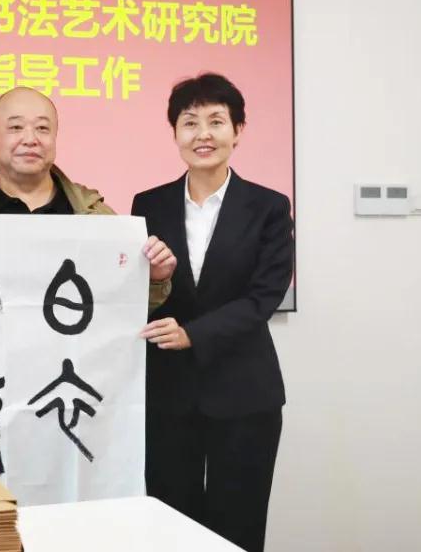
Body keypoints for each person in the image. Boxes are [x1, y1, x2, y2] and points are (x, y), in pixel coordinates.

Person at [131, 73, 293, 552]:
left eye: (216, 121)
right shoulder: (148, 204)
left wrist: (193, 334)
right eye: (190, 122)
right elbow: (133, 290)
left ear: (238, 130)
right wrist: (155, 280)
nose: (203, 134)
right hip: (167, 393)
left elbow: (264, 296)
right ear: (175, 133)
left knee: (238, 526)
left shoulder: (268, 206)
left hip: (244, 393)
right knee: (168, 525)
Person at [0, 86, 175, 307]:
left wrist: (154, 278)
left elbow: (121, 308)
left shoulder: (93, 213)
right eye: (15, 127)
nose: (30, 139)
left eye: (42, 128)